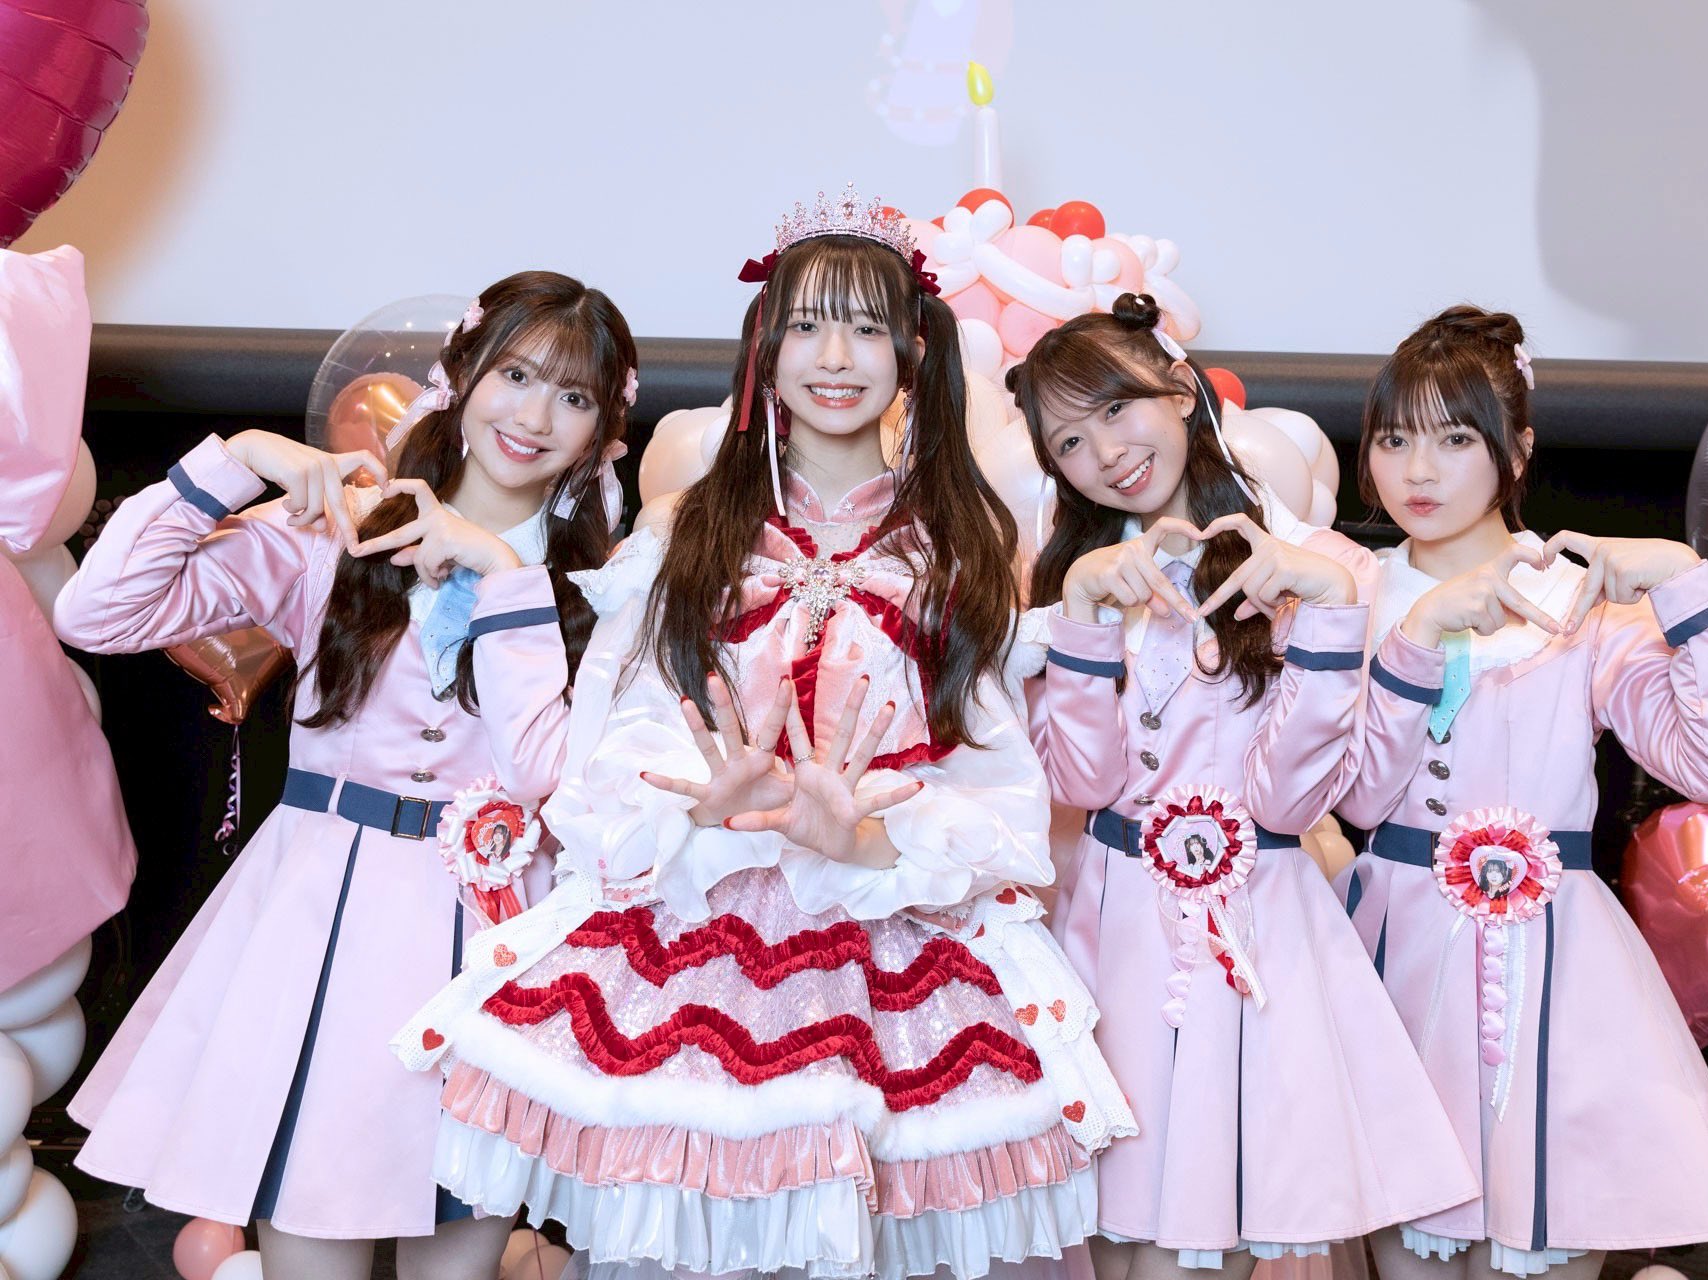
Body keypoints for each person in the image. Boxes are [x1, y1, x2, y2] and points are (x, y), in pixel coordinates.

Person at [395, 189, 1132, 1280]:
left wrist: (865, 837)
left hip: (895, 939)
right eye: (806, 325)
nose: (835, 356)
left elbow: (1000, 779)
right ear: (765, 349)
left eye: (867, 327)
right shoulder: (684, 529)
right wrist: (698, 800)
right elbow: (610, 740)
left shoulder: (966, 545)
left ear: (913, 351)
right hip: (696, 929)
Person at [57, 270, 637, 1280]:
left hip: (494, 948)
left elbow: (558, 777)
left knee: (456, 1255)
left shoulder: (607, 589)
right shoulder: (336, 534)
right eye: (515, 374)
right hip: (317, 934)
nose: (535, 416)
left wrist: (504, 580)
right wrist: (237, 458)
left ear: (602, 430)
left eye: (574, 395)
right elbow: (96, 614)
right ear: (462, 373)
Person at [1007, 294, 1477, 1280]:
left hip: (1258, 933)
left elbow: (1292, 804)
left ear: (1181, 392)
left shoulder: (1320, 564)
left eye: (1117, 408)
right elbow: (1082, 780)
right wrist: (1082, 613)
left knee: (1206, 1242)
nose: (1105, 452)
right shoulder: (1072, 574)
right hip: (1114, 934)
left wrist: (1329, 609)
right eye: (1070, 441)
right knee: (1110, 1241)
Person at [1335, 304, 1708, 1280]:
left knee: (1548, 1233)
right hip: (1391, 963)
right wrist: (1415, 641)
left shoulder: (1585, 603)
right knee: (1404, 1241)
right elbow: (1357, 798)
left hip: (1554, 970)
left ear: (1519, 448)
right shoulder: (1350, 595)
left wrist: (1688, 587)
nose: (1417, 470)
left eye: (1455, 439)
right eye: (1394, 439)